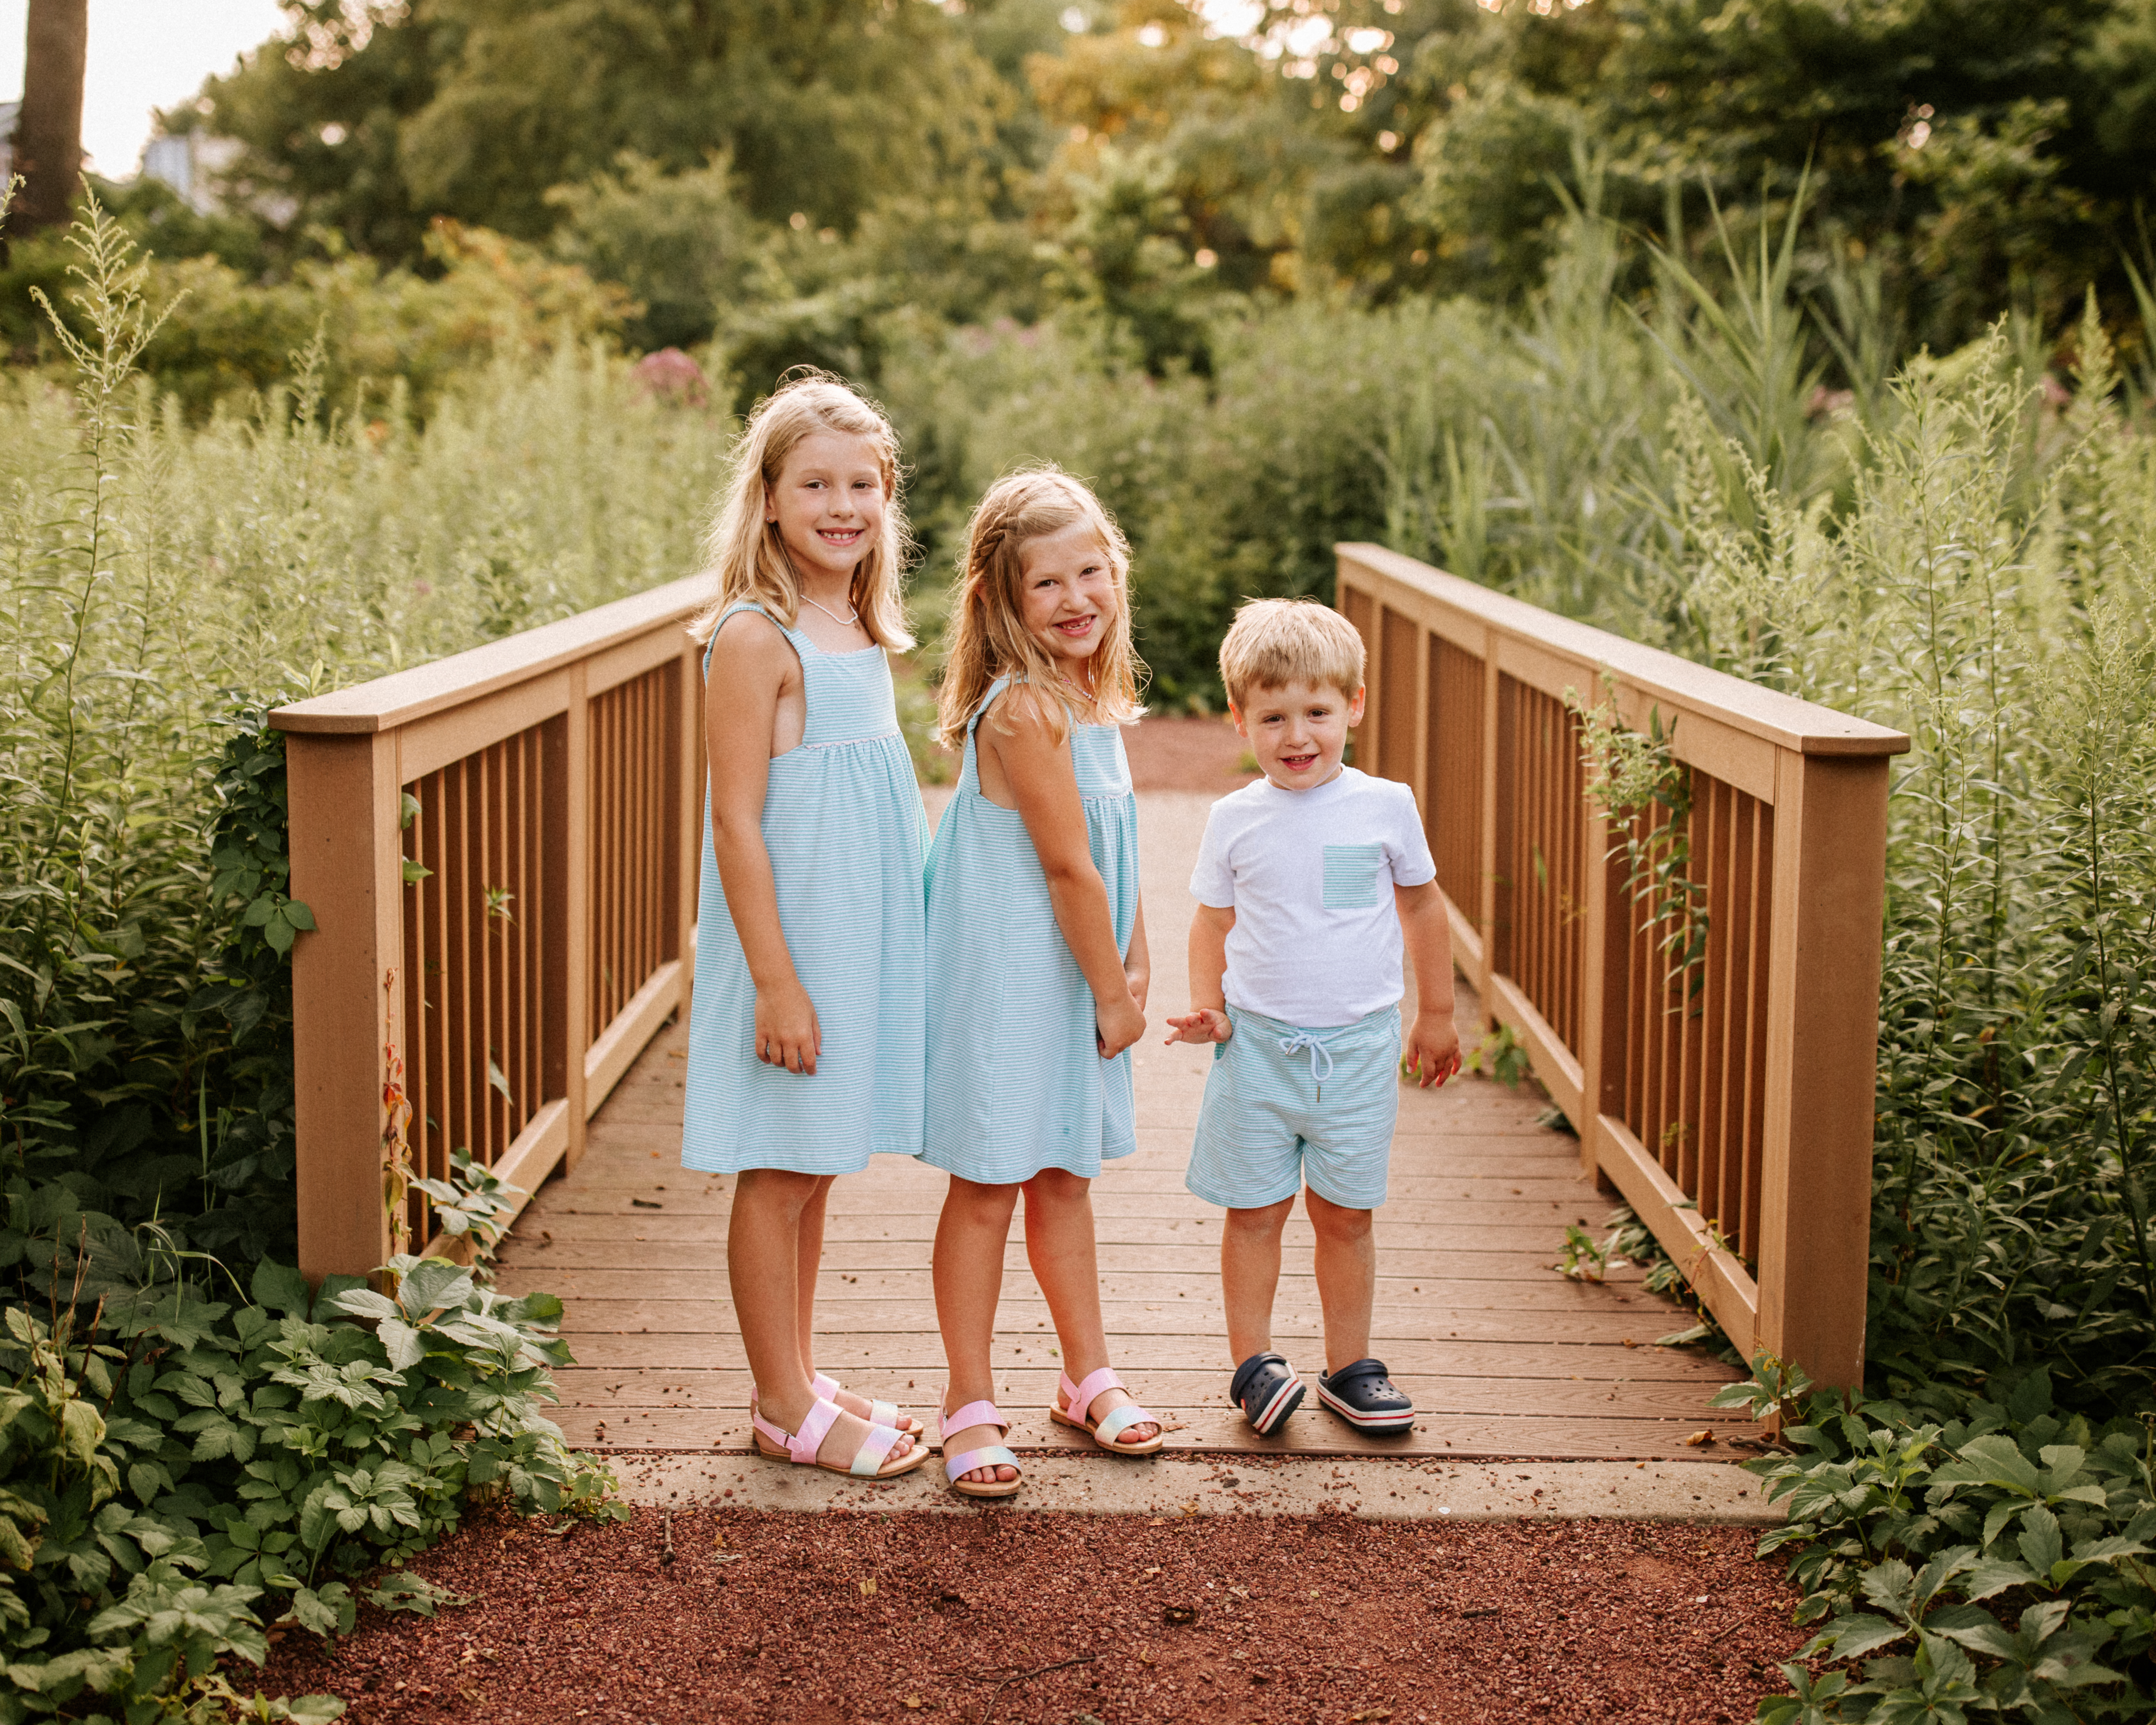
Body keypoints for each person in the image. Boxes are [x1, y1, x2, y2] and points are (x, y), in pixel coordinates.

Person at [680, 373, 930, 1479]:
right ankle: (779, 1401)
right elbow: (735, 819)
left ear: (887, 497)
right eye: (815, 483)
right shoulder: (755, 635)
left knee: (817, 1162)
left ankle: (802, 1366)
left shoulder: (859, 621)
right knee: (778, 1166)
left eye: (862, 483)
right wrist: (777, 982)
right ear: (769, 499)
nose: (842, 503)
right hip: (788, 943)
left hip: (850, 937)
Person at [922, 467, 1165, 1499]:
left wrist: (1137, 952)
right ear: (1000, 603)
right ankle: (967, 1399)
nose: (1075, 600)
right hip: (1011, 981)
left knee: (1064, 1178)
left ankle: (1085, 1376)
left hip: (1079, 973)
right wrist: (1113, 989)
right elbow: (1065, 868)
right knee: (986, 1184)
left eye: (1090, 573)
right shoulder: (1021, 711)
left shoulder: (1092, 702)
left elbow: (1111, 855)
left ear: (1115, 573)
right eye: (1046, 586)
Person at [1164, 598, 1462, 1436]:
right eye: (1274, 717)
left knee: (1345, 1213)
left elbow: (1423, 909)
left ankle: (1349, 1368)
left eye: (1318, 714)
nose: (1298, 737)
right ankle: (1255, 1367)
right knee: (1255, 1211)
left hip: (1360, 1050)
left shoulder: (1384, 805)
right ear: (1239, 720)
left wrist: (1434, 1013)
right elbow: (1211, 922)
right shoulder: (1235, 819)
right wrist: (1208, 1007)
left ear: (1354, 707)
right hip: (1257, 1050)